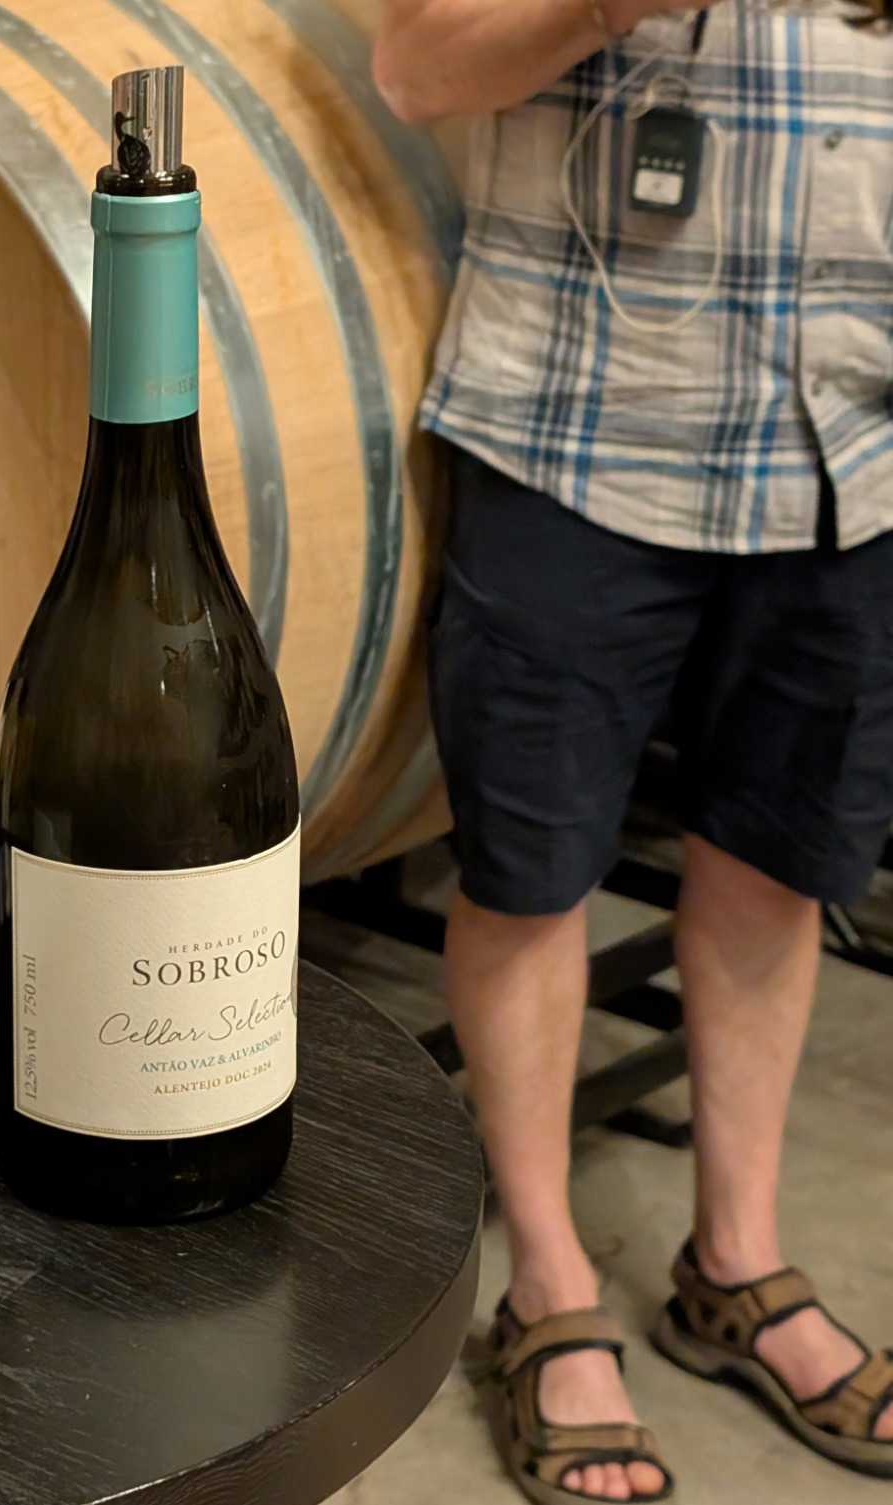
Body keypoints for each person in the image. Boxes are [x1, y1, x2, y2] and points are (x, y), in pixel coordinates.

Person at [377, 1, 893, 1501]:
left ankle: (735, 1262)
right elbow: (414, 65)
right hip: (577, 426)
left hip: (850, 447)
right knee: (530, 875)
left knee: (774, 860)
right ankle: (548, 1282)